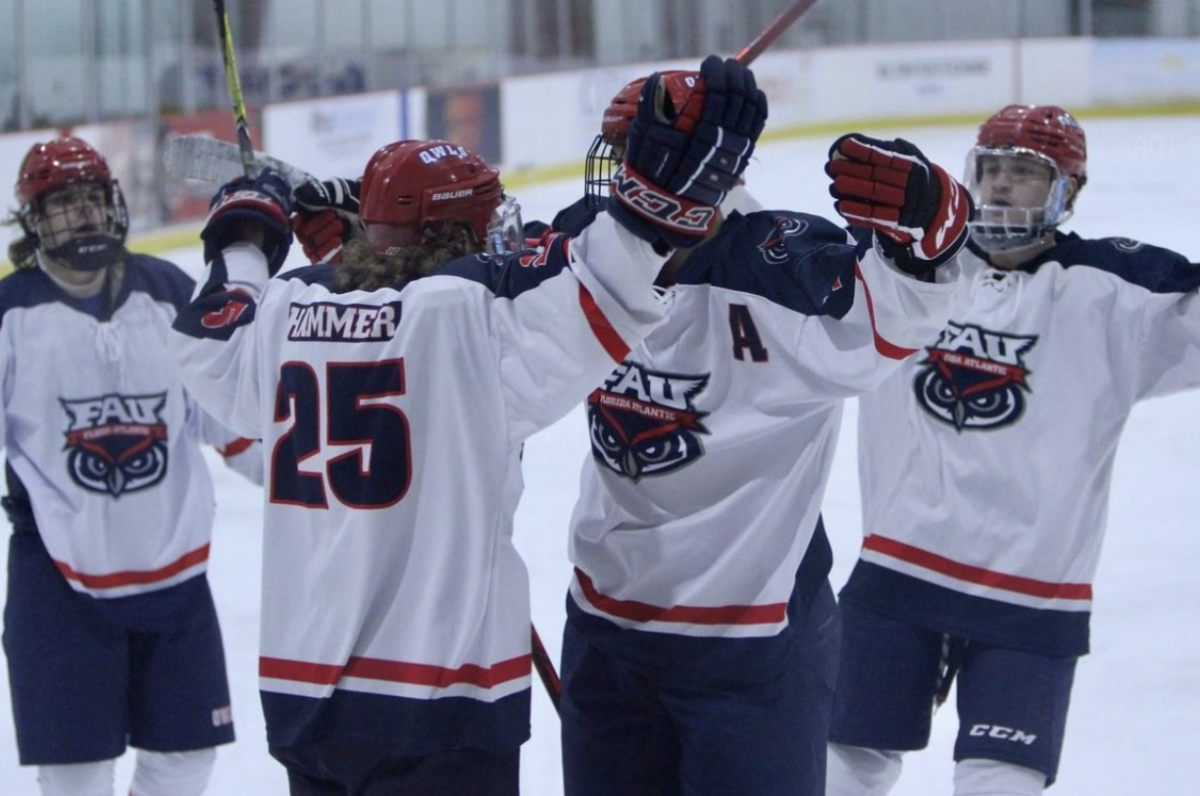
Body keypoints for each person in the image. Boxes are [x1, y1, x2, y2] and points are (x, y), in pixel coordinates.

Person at [169, 54, 768, 796]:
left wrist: (245, 239)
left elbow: (212, 341)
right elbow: (607, 287)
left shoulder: (288, 310)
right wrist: (662, 200)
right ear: (456, 230)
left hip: (305, 703)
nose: (501, 233)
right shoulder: (472, 319)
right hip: (437, 706)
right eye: (484, 219)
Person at [519, 71, 975, 796]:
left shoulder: (784, 267)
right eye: (622, 152)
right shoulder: (579, 249)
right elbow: (470, 342)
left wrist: (925, 242)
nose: (625, 175)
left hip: (751, 644)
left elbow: (897, 312)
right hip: (606, 628)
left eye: (642, 152)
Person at [825, 105, 1200, 796]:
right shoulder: (911, 270)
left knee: (999, 784)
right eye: (989, 168)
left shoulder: (1120, 293)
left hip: (1032, 600)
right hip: (896, 575)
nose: (1000, 186)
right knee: (839, 769)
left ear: (1070, 191)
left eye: (1024, 172)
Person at [0, 135, 262, 796]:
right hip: (58, 581)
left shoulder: (169, 290)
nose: (83, 214)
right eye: (64, 203)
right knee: (75, 775)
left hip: (174, 574)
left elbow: (229, 421)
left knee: (186, 761)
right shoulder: (10, 314)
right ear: (34, 219)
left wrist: (310, 480)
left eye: (93, 198)